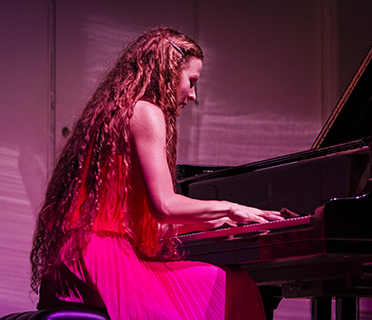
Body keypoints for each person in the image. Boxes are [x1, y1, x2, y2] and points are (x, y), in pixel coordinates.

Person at [30, 27, 284, 320]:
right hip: (102, 264)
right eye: (192, 81)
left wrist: (220, 222)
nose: (193, 94)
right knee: (236, 285)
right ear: (169, 72)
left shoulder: (116, 111)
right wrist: (232, 207)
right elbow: (165, 207)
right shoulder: (147, 112)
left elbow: (135, 225)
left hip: (71, 262)